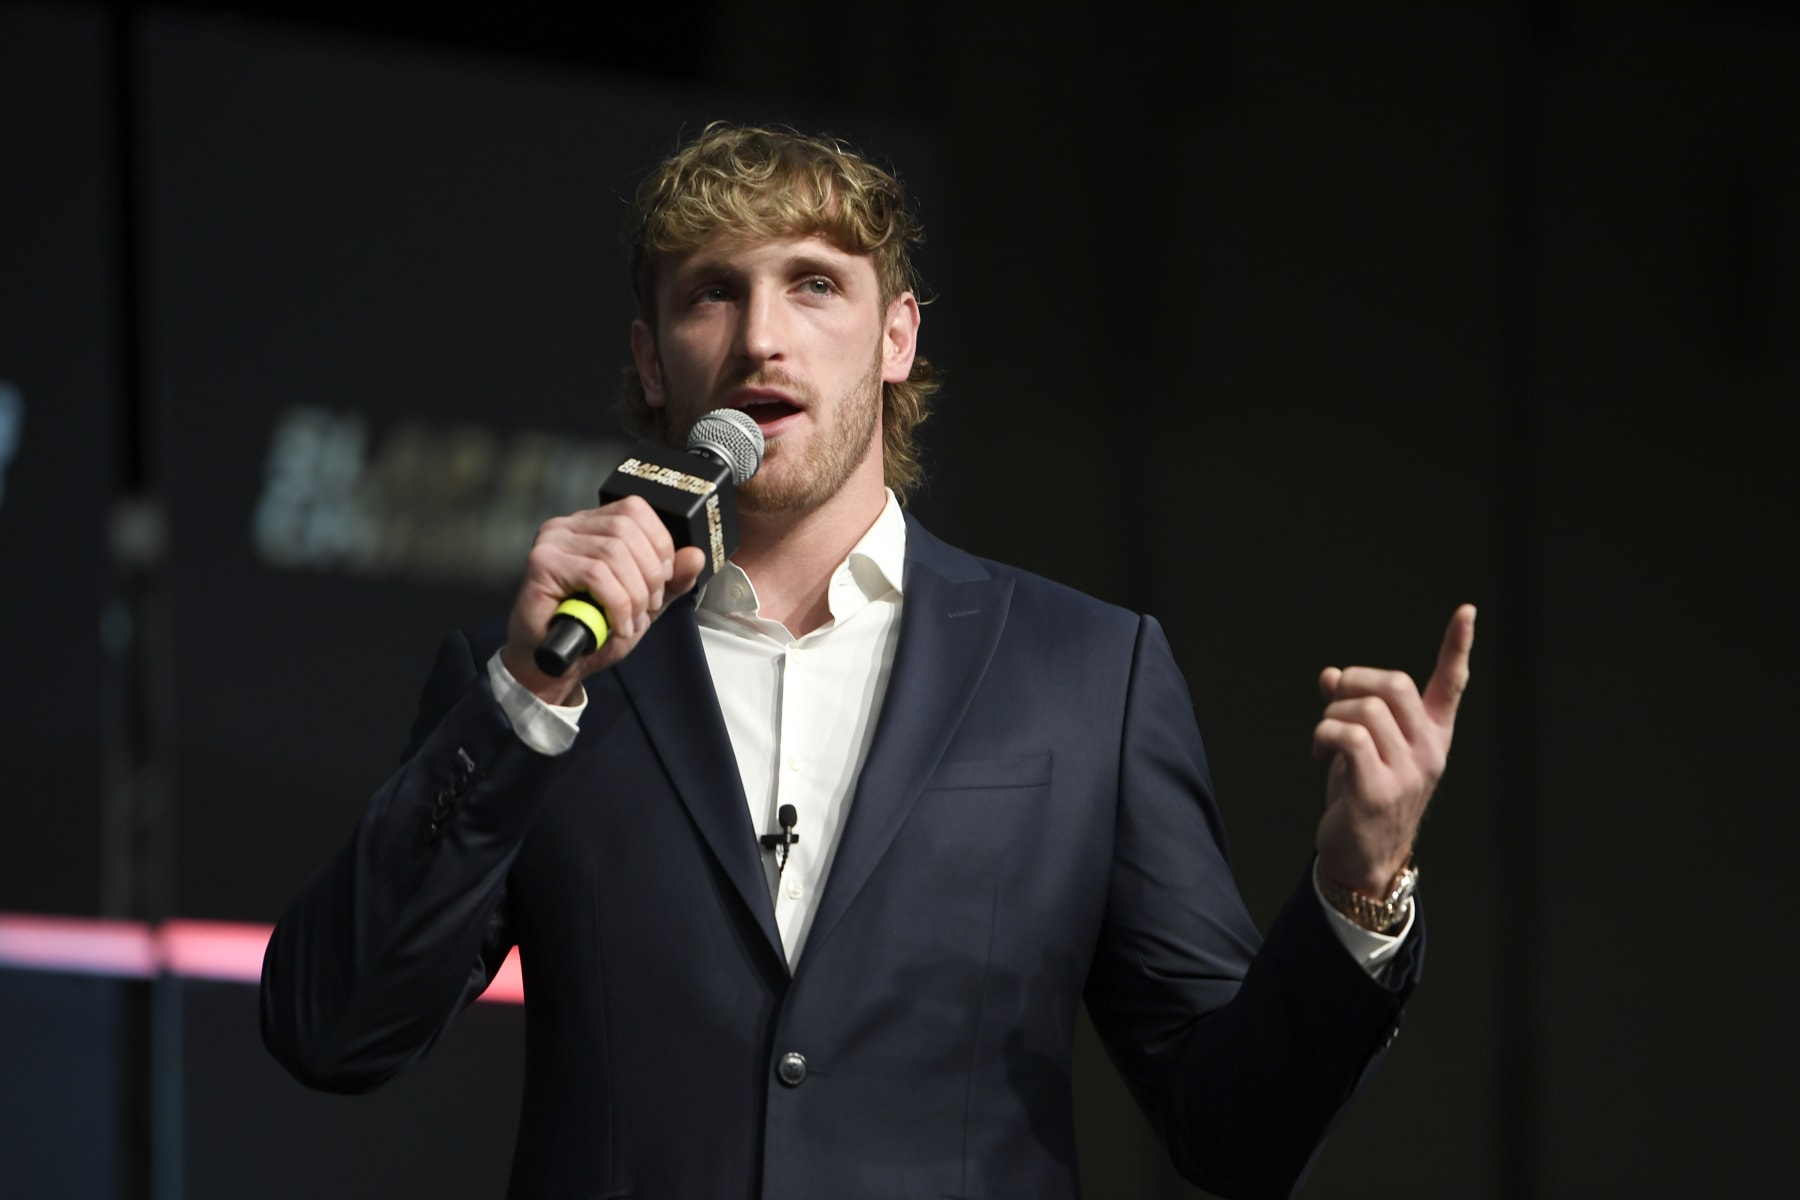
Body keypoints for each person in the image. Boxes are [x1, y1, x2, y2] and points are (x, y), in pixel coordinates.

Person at [261, 122, 1475, 1200]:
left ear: (896, 336)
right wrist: (523, 700)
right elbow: (332, 1031)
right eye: (710, 295)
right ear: (650, 361)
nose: (761, 338)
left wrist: (1360, 889)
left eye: (815, 287)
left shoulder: (1085, 674)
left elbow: (1236, 1135)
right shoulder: (539, 675)